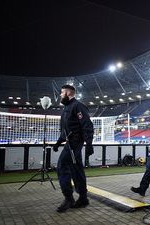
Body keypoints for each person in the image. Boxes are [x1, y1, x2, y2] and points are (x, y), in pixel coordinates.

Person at [52, 85, 94, 213]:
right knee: (76, 169)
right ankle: (83, 198)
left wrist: (89, 143)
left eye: (62, 92)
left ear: (68, 92)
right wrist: (59, 141)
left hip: (75, 143)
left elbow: (87, 125)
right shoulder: (66, 108)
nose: (60, 95)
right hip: (69, 143)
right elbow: (66, 128)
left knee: (62, 167)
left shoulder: (78, 106)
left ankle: (69, 198)